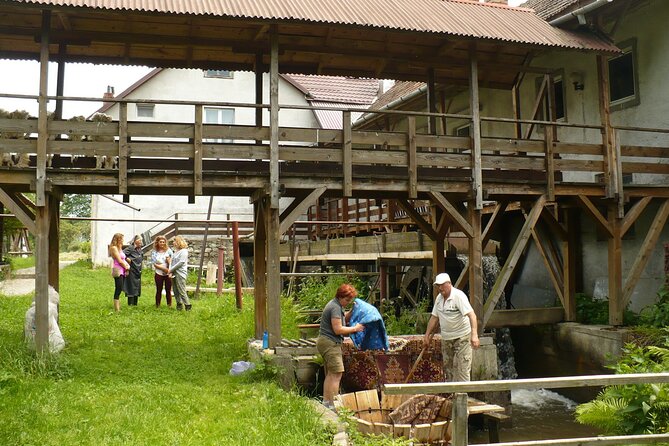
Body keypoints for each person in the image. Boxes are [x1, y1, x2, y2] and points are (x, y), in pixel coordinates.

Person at [423, 272, 480, 382]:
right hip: (447, 338)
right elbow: (434, 318)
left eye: (442, 285)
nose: (440, 288)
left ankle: (462, 397)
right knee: (448, 369)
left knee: (463, 368)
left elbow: (472, 315)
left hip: (462, 337)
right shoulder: (439, 299)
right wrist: (426, 335)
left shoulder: (458, 296)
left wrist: (474, 335)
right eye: (437, 286)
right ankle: (452, 395)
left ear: (449, 284)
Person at [316, 283, 365, 410]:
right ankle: (334, 405)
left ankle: (327, 403)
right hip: (330, 342)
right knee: (337, 373)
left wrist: (353, 311)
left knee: (331, 374)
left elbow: (344, 319)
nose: (348, 302)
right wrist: (355, 328)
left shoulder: (337, 305)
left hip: (325, 341)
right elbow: (338, 329)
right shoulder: (335, 308)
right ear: (341, 296)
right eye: (347, 300)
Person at [168, 235, 191, 311]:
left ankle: (187, 305)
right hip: (174, 273)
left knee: (181, 290)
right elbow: (172, 262)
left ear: (178, 242)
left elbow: (181, 262)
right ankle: (179, 305)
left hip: (180, 273)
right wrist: (170, 271)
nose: (173, 243)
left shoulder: (184, 251)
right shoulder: (175, 251)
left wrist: (171, 270)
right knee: (175, 290)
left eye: (174, 241)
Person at [108, 233, 130, 312]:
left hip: (123, 269)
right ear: (117, 239)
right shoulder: (114, 248)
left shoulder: (120, 248)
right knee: (118, 288)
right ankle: (117, 309)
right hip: (118, 269)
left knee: (120, 288)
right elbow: (119, 260)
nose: (122, 240)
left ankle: (118, 307)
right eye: (121, 239)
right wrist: (126, 267)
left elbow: (123, 259)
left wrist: (127, 267)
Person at [151, 235, 173, 307]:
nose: (162, 243)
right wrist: (164, 268)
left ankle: (169, 305)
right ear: (157, 243)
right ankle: (157, 304)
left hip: (168, 274)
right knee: (159, 289)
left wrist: (168, 268)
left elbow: (172, 262)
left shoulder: (169, 251)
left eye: (163, 242)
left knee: (168, 290)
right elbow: (155, 264)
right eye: (160, 242)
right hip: (158, 273)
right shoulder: (154, 252)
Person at [123, 234, 143, 306]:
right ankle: (130, 304)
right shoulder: (130, 248)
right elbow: (121, 254)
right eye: (139, 240)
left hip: (138, 271)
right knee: (131, 287)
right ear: (135, 241)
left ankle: (135, 304)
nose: (141, 241)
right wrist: (126, 259)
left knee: (137, 287)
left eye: (141, 240)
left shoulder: (139, 249)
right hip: (131, 270)